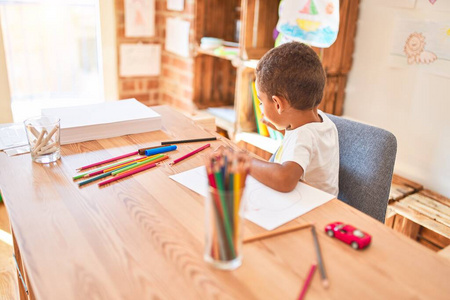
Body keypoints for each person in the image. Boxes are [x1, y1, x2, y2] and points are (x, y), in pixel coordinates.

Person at [248, 41, 339, 195]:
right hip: (319, 203)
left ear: (277, 104)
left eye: (261, 102)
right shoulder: (321, 121)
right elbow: (309, 148)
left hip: (311, 210)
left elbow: (285, 180)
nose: (261, 107)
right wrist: (284, 132)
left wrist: (243, 161)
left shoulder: (303, 136)